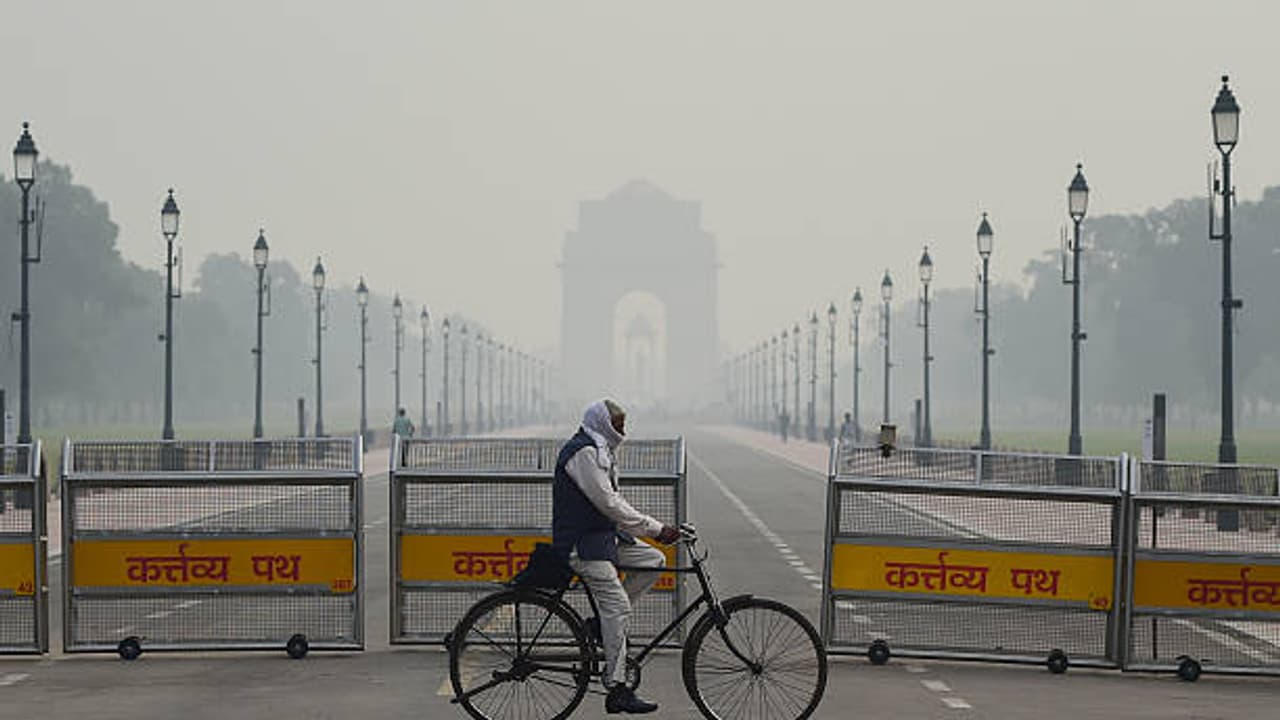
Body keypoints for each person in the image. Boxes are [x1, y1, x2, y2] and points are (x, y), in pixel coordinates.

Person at [552, 399, 679, 715]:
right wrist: (655, 528)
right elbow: (608, 503)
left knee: (654, 562)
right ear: (601, 423)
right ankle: (616, 687)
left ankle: (600, 626)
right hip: (581, 544)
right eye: (618, 424)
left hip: (603, 537)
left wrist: (651, 532)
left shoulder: (601, 449)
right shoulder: (583, 452)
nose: (622, 430)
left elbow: (612, 503)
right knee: (619, 607)